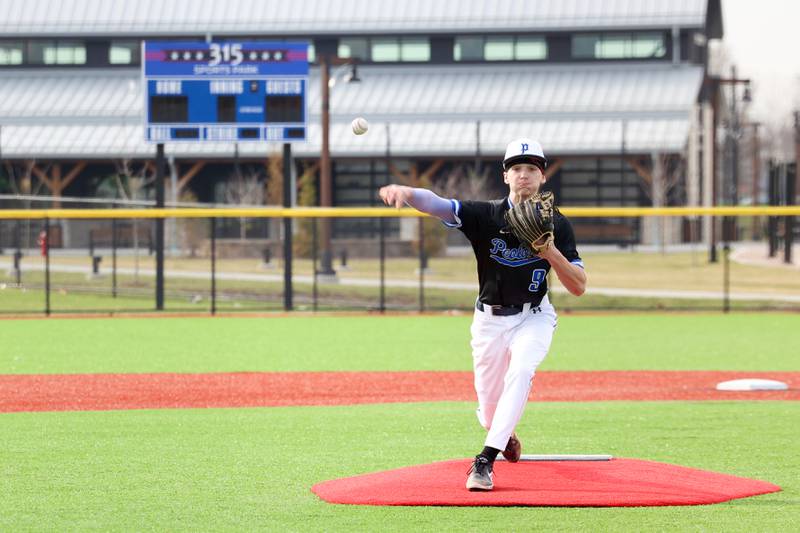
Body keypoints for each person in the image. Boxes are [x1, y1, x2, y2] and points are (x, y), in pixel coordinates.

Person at [379, 138, 586, 491]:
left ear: (543, 177)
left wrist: (550, 251)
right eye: (517, 168)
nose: (524, 175)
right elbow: (439, 205)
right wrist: (408, 191)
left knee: (522, 370)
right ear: (506, 176)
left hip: (533, 316)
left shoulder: (557, 224)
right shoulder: (486, 215)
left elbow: (579, 285)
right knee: (489, 412)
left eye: (532, 169)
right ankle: (500, 433)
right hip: (489, 321)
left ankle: (484, 461)